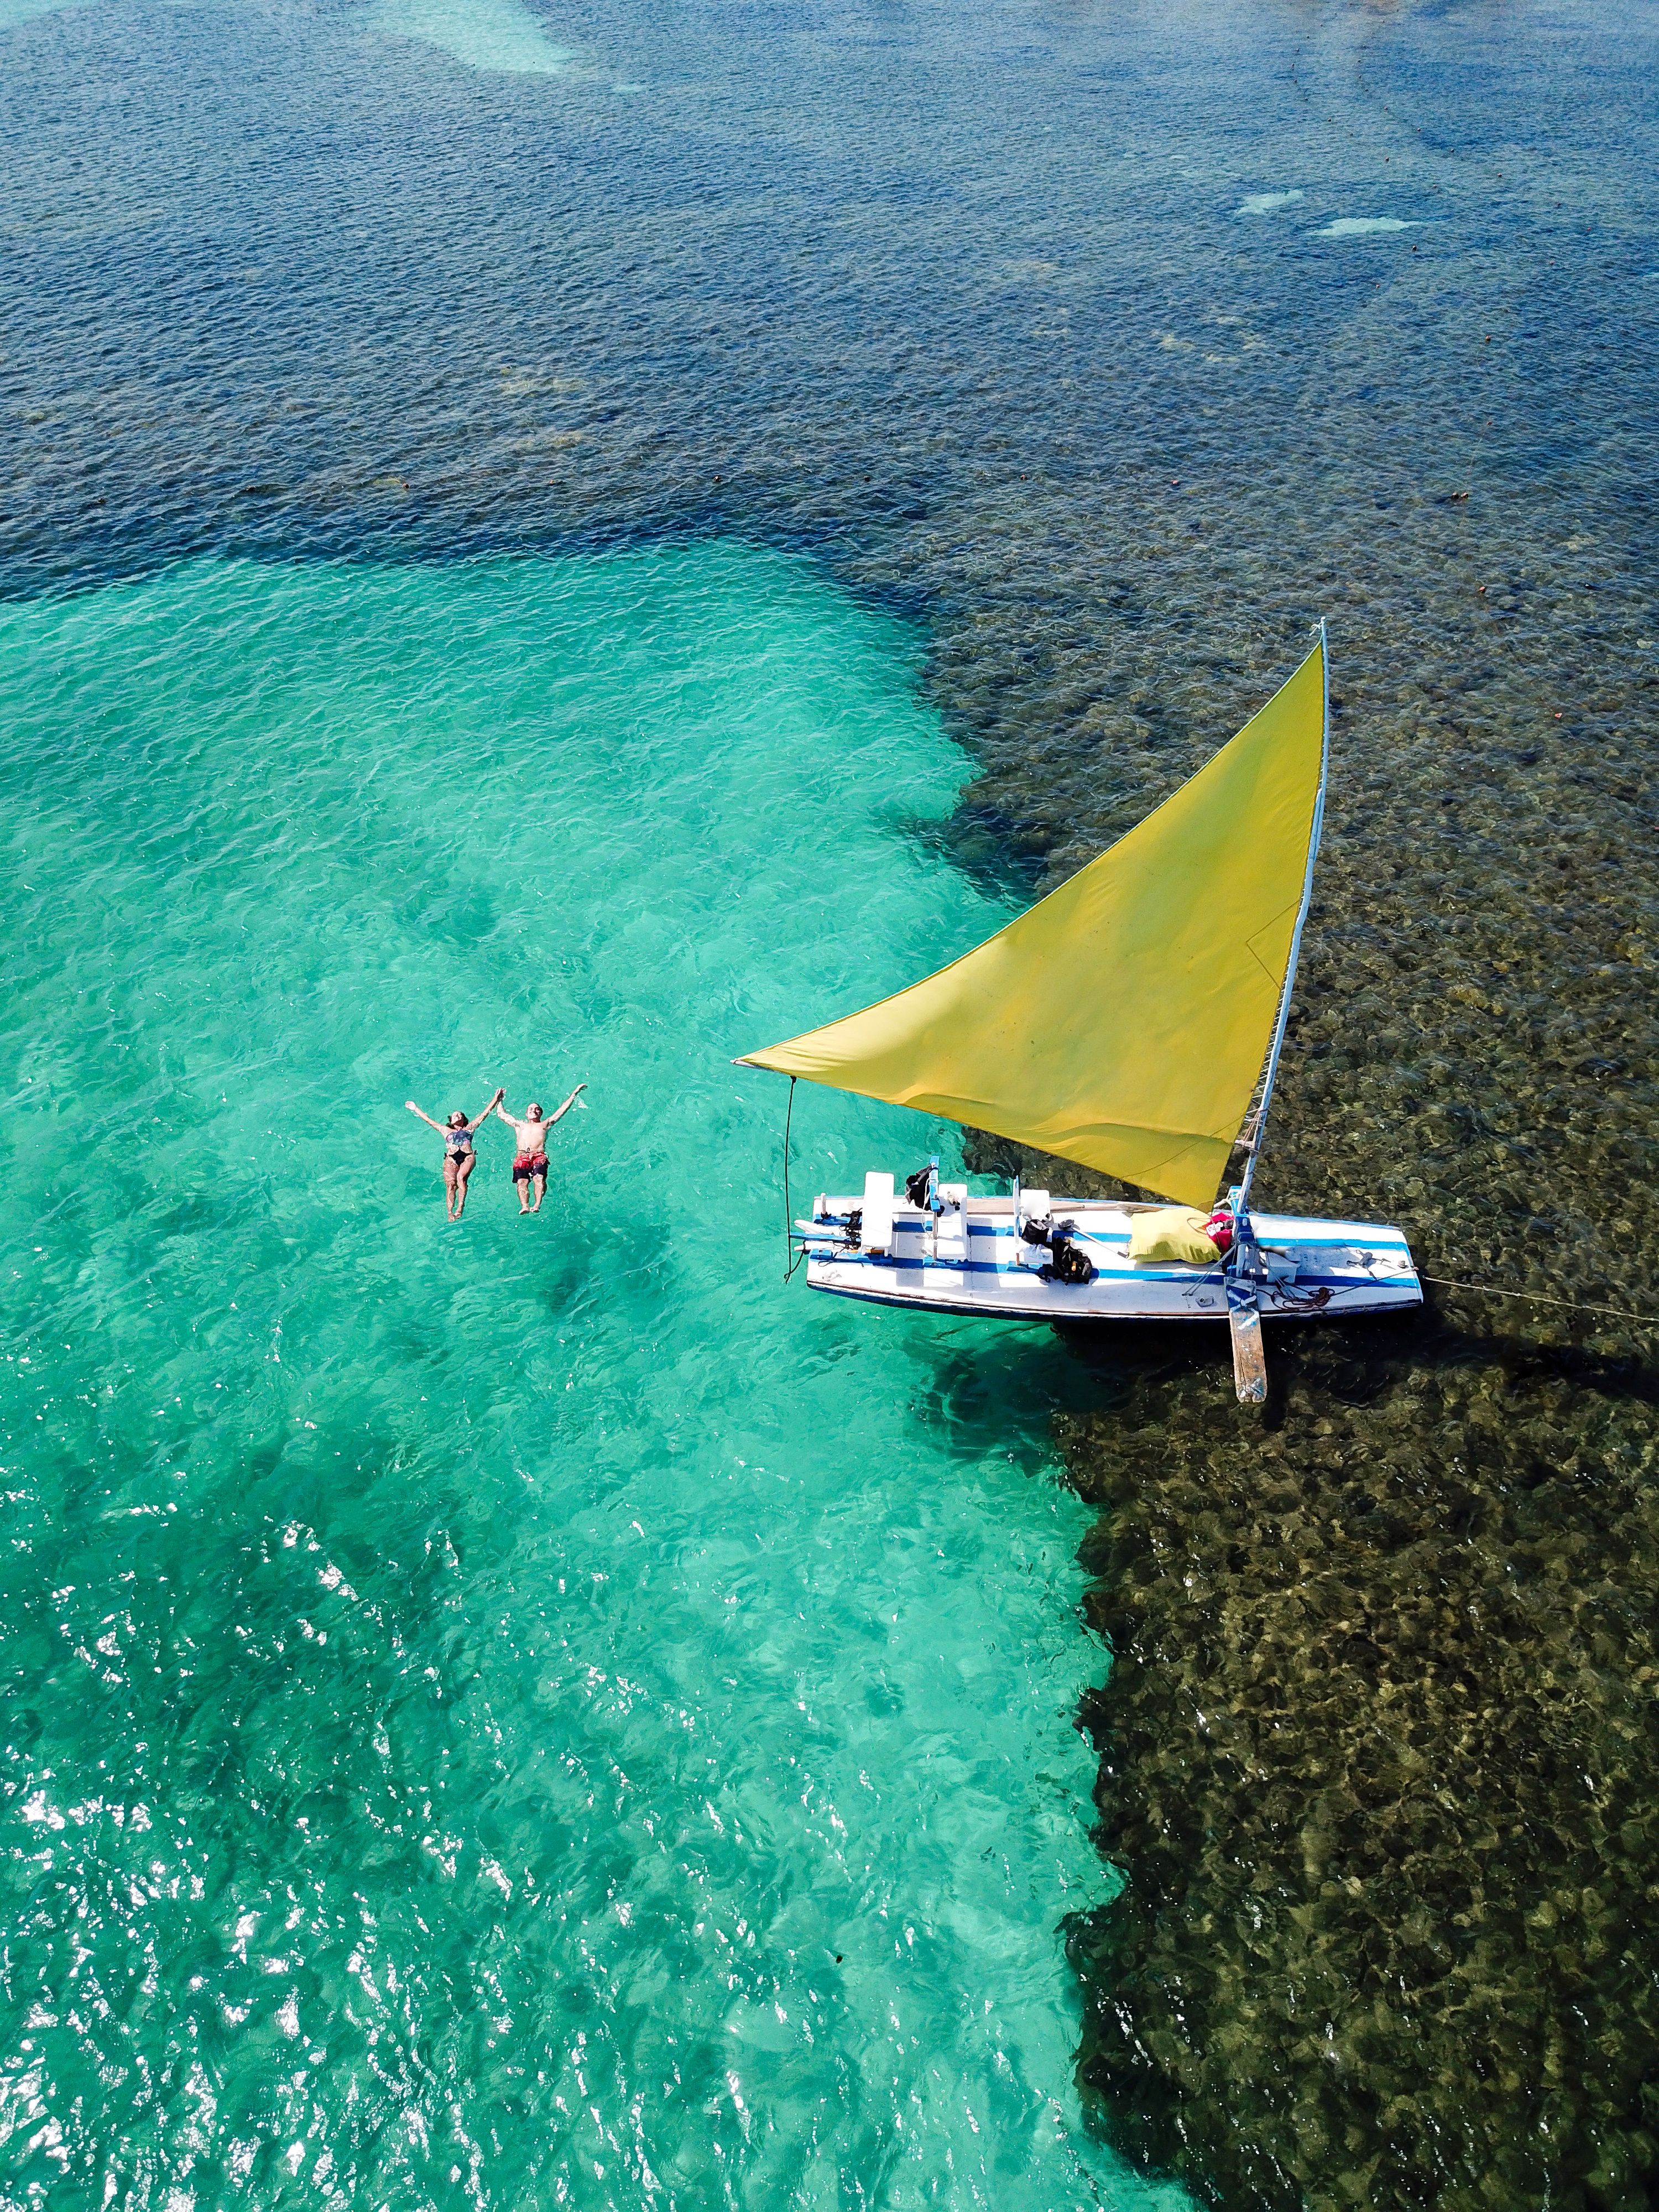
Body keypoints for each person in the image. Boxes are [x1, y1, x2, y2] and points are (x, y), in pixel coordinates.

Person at [406, 1088, 504, 1220]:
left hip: (467, 1156)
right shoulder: (445, 1130)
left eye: (459, 1115)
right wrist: (415, 1108)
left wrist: (496, 1098)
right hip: (451, 1158)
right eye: (454, 1115)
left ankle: (460, 1208)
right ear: (451, 1120)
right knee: (451, 1185)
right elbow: (429, 1121)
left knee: (461, 1178)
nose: (457, 1116)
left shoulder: (470, 1128)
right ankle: (449, 1213)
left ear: (464, 1120)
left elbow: (484, 1114)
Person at [492, 1086, 585, 1214]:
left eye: (537, 1109)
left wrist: (574, 1093)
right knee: (522, 1182)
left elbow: (562, 1110)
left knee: (539, 1179)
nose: (534, 1111)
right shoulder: (519, 1125)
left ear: (541, 1113)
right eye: (531, 1109)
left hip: (539, 1156)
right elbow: (502, 1114)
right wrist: (499, 1100)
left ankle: (536, 1205)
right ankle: (525, 1206)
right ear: (526, 1113)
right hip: (522, 1156)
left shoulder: (546, 1124)